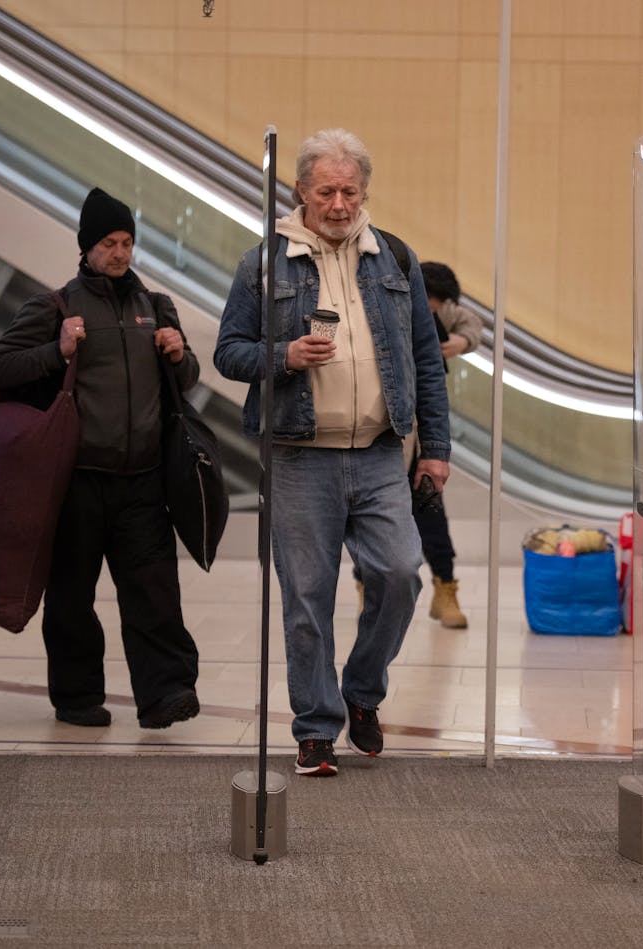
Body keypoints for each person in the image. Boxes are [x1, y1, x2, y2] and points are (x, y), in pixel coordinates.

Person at [214, 128, 450, 777]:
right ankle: (316, 726)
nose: (340, 203)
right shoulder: (264, 263)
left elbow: (427, 362)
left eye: (350, 190)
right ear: (301, 192)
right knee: (307, 596)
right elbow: (228, 350)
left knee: (402, 573)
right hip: (298, 455)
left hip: (379, 453)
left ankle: (361, 691)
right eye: (327, 190)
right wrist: (282, 356)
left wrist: (436, 448)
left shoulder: (394, 259)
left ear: (364, 191)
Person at [0, 187, 202, 730]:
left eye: (127, 242)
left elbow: (188, 381)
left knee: (154, 594)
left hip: (143, 482)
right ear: (86, 246)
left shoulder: (155, 306)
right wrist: (55, 350)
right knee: (71, 598)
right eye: (110, 242)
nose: (121, 253)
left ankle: (166, 694)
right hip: (77, 481)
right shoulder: (55, 306)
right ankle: (78, 697)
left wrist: (180, 357)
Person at [412, 260, 479, 628]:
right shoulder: (392, 304)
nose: (432, 310)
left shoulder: (447, 313)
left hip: (424, 436)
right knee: (372, 522)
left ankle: (445, 587)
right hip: (385, 432)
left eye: (437, 305)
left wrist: (459, 343)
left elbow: (472, 325)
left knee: (431, 512)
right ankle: (366, 592)